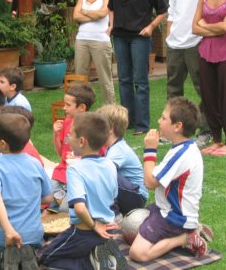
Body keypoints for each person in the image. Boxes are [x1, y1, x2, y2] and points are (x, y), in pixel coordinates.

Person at [39, 112, 125, 270]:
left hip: (84, 232)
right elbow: (113, 196)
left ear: (81, 141)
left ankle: (89, 263)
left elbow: (79, 207)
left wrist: (94, 225)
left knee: (45, 257)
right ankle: (102, 255)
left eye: (70, 134)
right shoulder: (110, 165)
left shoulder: (75, 169)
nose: (67, 137)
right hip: (108, 229)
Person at [129, 97, 208, 261]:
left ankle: (185, 238)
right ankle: (189, 232)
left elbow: (150, 183)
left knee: (137, 253)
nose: (159, 120)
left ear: (177, 126)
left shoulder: (181, 154)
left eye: (164, 118)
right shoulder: (184, 148)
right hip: (165, 208)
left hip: (174, 217)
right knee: (130, 225)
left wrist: (150, 150)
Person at [0, 114, 53, 269]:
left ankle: (2, 261)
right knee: (30, 246)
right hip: (32, 236)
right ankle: (26, 257)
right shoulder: (35, 163)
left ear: (3, 144)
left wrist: (9, 230)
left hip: (1, 237)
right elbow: (48, 198)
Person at [108, 0, 168, 134]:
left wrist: (151, 26)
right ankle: (127, 121)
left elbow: (164, 11)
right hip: (119, 37)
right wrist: (111, 25)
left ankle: (141, 125)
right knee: (124, 80)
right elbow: (110, 7)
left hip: (140, 37)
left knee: (140, 82)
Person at [166, 0, 211, 148]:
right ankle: (173, 128)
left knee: (203, 88)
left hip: (196, 41)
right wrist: (169, 34)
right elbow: (172, 10)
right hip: (175, 42)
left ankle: (206, 130)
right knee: (173, 88)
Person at [48, 84, 95, 213]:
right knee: (43, 198)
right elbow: (60, 153)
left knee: (64, 209)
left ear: (81, 107)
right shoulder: (67, 122)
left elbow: (96, 157)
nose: (64, 108)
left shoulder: (91, 128)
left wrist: (78, 158)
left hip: (78, 175)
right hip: (61, 173)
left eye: (68, 105)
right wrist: (56, 135)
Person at [192, 0, 226, 156]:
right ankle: (217, 140)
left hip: (225, 53)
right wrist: (216, 27)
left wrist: (205, 25)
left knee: (225, 96)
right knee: (209, 98)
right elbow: (194, 28)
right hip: (205, 52)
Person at [97, 104, 148, 217]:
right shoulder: (112, 147)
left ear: (110, 129)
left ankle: (114, 215)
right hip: (130, 193)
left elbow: (104, 172)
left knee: (105, 173)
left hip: (137, 197)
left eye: (99, 126)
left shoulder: (118, 149)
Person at [73, 0, 115, 105]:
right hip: (81, 40)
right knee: (80, 79)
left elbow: (102, 13)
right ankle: (80, 110)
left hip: (100, 40)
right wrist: (93, 15)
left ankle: (110, 111)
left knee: (105, 79)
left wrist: (84, 11)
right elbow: (75, 16)